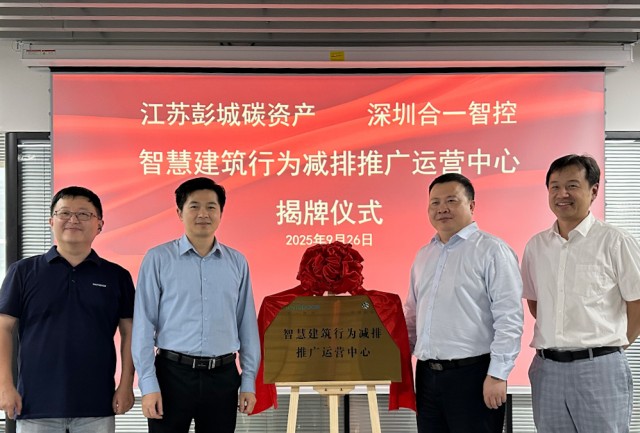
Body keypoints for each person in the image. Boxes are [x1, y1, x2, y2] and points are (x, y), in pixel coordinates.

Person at [0, 186, 135, 433]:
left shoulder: (117, 276)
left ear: (100, 225)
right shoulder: (23, 272)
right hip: (35, 404)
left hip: (97, 404)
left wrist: (126, 384)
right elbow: (3, 329)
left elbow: (130, 332)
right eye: (64, 213)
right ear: (51, 221)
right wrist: (4, 385)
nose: (73, 220)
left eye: (83, 214)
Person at [521, 154, 640, 433]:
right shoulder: (536, 246)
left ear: (594, 190)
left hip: (599, 369)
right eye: (555, 187)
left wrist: (611, 348)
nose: (562, 194)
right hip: (547, 370)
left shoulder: (615, 241)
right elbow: (536, 304)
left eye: (572, 186)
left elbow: (637, 303)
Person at [132, 177, 260, 433]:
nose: (203, 213)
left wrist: (248, 381)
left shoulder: (237, 262)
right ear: (179, 212)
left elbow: (246, 324)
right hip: (171, 376)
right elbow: (143, 325)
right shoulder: (158, 258)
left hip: (223, 377)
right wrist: (148, 385)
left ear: (221, 213)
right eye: (194, 206)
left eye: (211, 207)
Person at [404, 173, 524, 433]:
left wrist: (497, 374)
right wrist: (397, 362)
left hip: (474, 376)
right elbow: (412, 315)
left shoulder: (492, 250)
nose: (442, 208)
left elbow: (509, 318)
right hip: (427, 377)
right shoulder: (424, 255)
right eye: (435, 202)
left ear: (471, 205)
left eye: (451, 200)